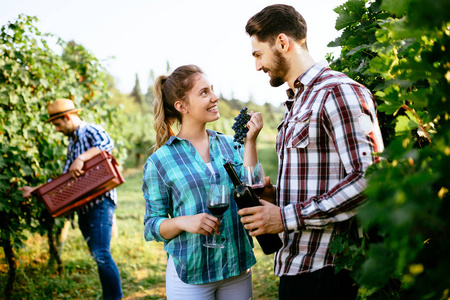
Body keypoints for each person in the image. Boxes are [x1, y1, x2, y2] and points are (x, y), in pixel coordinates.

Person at [238, 4, 385, 300]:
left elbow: (370, 179)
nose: (257, 66)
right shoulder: (298, 101)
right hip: (297, 264)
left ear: (283, 42)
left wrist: (285, 217)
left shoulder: (338, 92)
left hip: (326, 271)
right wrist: (277, 196)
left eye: (258, 54)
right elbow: (322, 180)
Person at [142, 65, 262, 300]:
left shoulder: (231, 145)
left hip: (236, 265)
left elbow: (253, 188)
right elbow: (151, 226)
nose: (215, 97)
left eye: (213, 90)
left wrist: (251, 143)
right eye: (204, 92)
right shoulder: (160, 161)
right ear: (181, 106)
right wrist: (183, 222)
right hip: (192, 273)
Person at [20, 98, 123, 300]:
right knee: (97, 255)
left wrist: (81, 158)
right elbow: (66, 176)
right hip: (83, 206)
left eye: (58, 124)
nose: (57, 129)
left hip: (100, 201)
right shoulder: (72, 143)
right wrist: (36, 190)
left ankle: (115, 298)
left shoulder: (90, 130)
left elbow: (107, 143)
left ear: (67, 117)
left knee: (101, 253)